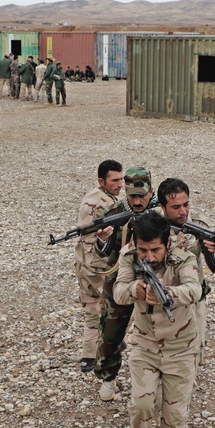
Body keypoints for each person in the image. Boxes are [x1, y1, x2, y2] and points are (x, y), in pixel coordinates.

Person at [113, 211, 201, 428]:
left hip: (181, 347)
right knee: (141, 405)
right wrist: (135, 289)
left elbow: (194, 289)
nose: (148, 256)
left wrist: (169, 294)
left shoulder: (183, 257)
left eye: (155, 249)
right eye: (143, 250)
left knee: (175, 412)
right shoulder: (130, 257)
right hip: (144, 345)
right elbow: (117, 292)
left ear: (167, 243)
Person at [156, 177, 215, 428]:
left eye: (186, 204)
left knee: (190, 362)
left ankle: (178, 421)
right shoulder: (153, 228)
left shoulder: (199, 224)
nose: (183, 212)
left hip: (195, 303)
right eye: (176, 207)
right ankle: (161, 422)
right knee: (160, 364)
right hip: (162, 306)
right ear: (162, 207)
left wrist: (212, 251)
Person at [92, 166, 157, 400]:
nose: (138, 200)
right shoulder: (114, 212)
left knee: (159, 331)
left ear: (151, 191)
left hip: (156, 280)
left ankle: (161, 380)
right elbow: (103, 253)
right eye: (132, 196)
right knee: (110, 330)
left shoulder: (162, 213)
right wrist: (102, 240)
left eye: (142, 195)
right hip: (120, 277)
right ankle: (107, 377)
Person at [73, 160, 125, 374]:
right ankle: (107, 349)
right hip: (99, 266)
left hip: (83, 262)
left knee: (91, 310)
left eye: (121, 179)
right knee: (112, 309)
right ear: (101, 181)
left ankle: (87, 355)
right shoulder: (105, 204)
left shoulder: (93, 196)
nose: (120, 184)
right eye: (115, 180)